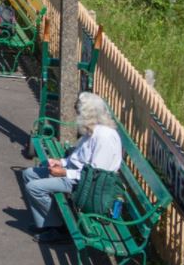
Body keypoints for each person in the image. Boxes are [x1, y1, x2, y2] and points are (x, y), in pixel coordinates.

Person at [21, 92, 123, 241]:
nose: (77, 117)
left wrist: (64, 172)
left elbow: (94, 176)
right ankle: (46, 223)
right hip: (77, 175)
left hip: (87, 186)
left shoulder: (104, 137)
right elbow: (79, 157)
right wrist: (61, 162)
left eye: (79, 113)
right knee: (29, 174)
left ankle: (59, 230)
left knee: (34, 188)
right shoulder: (93, 130)